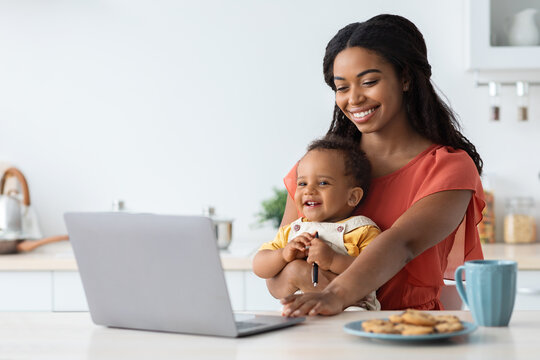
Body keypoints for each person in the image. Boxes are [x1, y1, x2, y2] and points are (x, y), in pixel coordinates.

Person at [279, 14, 485, 316]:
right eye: (341, 87)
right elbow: (282, 263)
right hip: (321, 328)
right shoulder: (314, 170)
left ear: (405, 78)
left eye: (369, 82)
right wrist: (301, 281)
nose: (354, 99)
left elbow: (402, 244)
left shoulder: (448, 168)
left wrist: (334, 294)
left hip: (409, 330)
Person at [252, 135, 382, 310]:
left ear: (352, 196)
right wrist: (283, 255)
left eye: (323, 183)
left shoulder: (362, 230)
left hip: (350, 313)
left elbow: (373, 273)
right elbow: (259, 267)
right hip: (299, 318)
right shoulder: (292, 231)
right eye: (302, 183)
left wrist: (333, 260)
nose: (309, 191)